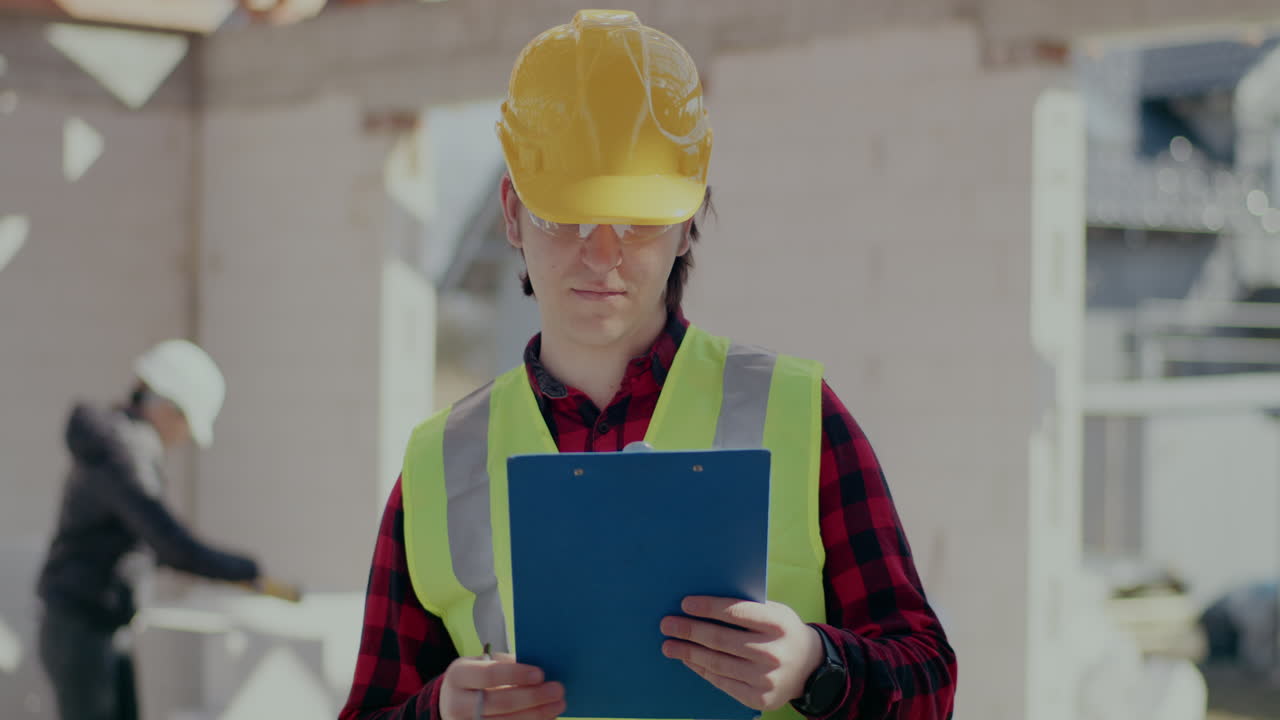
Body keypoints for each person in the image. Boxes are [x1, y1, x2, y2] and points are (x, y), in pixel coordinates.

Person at [340, 9, 957, 720]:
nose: (602, 255)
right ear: (512, 213)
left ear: (689, 216)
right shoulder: (440, 464)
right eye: (566, 218)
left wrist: (816, 668)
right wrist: (439, 712)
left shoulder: (799, 414)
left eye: (637, 221)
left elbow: (929, 684)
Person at [36, 339, 282, 720]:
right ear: (169, 408)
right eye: (187, 423)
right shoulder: (123, 454)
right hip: (82, 630)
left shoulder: (123, 446)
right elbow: (169, 542)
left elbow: (145, 545)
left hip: (97, 624)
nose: (184, 437)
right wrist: (242, 569)